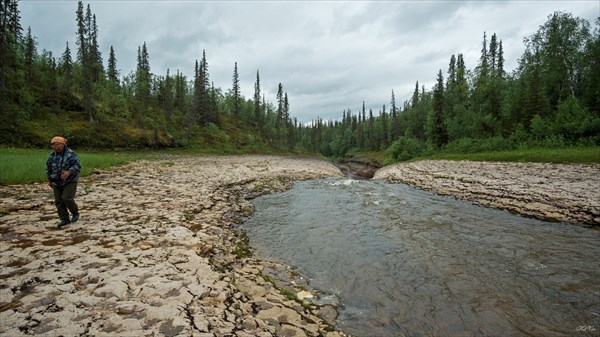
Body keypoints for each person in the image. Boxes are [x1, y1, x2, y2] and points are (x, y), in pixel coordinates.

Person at [46, 136, 81, 228]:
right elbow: (48, 168)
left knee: (67, 198)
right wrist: (49, 180)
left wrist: (69, 172)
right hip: (56, 181)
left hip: (70, 181)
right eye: (54, 145)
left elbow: (77, 166)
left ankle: (75, 213)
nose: (56, 147)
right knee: (58, 201)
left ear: (63, 145)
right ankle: (64, 219)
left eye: (58, 145)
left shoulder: (70, 154)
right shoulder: (52, 156)